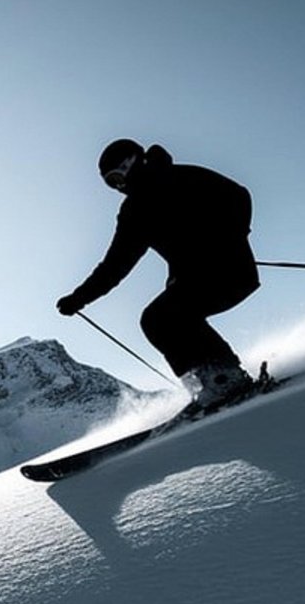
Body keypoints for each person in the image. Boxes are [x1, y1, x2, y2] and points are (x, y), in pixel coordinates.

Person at [56, 138, 260, 410]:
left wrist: (231, 236)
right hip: (192, 280)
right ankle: (206, 382)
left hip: (230, 268)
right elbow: (116, 264)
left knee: (168, 315)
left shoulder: (181, 177)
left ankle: (226, 378)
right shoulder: (134, 213)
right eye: (110, 183)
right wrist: (79, 298)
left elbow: (238, 195)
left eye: (117, 177)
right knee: (156, 320)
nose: (117, 187)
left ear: (131, 162)